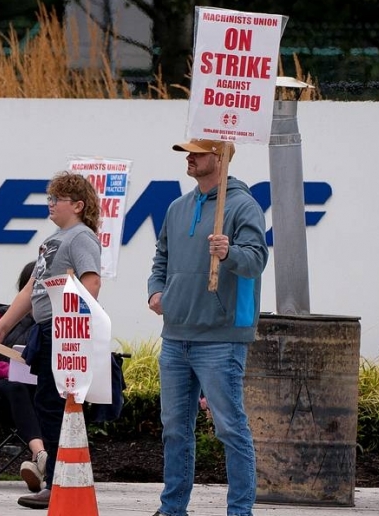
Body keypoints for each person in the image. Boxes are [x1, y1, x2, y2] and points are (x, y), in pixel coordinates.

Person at [147, 138, 268, 516]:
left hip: (221, 336)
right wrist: (156, 291)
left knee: (230, 429)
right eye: (188, 152)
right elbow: (161, 256)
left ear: (220, 156)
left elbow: (255, 261)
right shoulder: (177, 207)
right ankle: (172, 509)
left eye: (197, 152)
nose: (190, 158)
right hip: (176, 335)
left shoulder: (243, 205)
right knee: (175, 429)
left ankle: (239, 512)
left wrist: (229, 252)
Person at [0, 171, 102, 510]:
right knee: (47, 402)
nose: (50, 204)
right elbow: (29, 290)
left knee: (54, 403)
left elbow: (91, 283)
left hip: (63, 329)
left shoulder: (81, 237)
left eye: (56, 199)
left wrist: (73, 325)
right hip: (47, 329)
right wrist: (1, 328)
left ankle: (57, 481)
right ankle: (56, 478)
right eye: (49, 198)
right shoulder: (52, 241)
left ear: (77, 205)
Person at [0, 261, 48, 492]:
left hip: (37, 393)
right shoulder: (0, 319)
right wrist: (13, 370)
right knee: (15, 386)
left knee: (51, 393)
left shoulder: (52, 326)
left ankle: (39, 462)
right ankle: (41, 455)